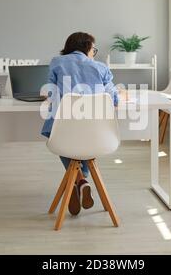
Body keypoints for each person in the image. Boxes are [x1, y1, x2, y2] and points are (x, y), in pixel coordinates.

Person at [41, 32, 125, 216]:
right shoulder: (101, 68)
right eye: (93, 49)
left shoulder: (57, 62)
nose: (93, 53)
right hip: (97, 135)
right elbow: (113, 99)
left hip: (65, 132)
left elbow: (50, 93)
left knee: (59, 136)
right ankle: (81, 181)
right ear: (87, 47)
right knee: (85, 143)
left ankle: (77, 182)